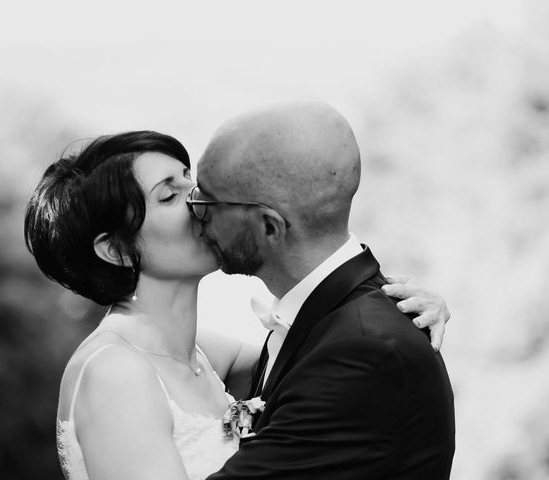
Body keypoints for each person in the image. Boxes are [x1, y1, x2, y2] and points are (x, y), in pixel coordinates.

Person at [24, 130, 450, 480]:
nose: (199, 203)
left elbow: (321, 358)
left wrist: (390, 298)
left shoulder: (202, 352)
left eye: (191, 182)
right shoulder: (115, 372)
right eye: (169, 197)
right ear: (116, 250)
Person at [188, 100, 455, 479]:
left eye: (208, 201)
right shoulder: (324, 319)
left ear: (269, 227)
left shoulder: (362, 354)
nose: (194, 211)